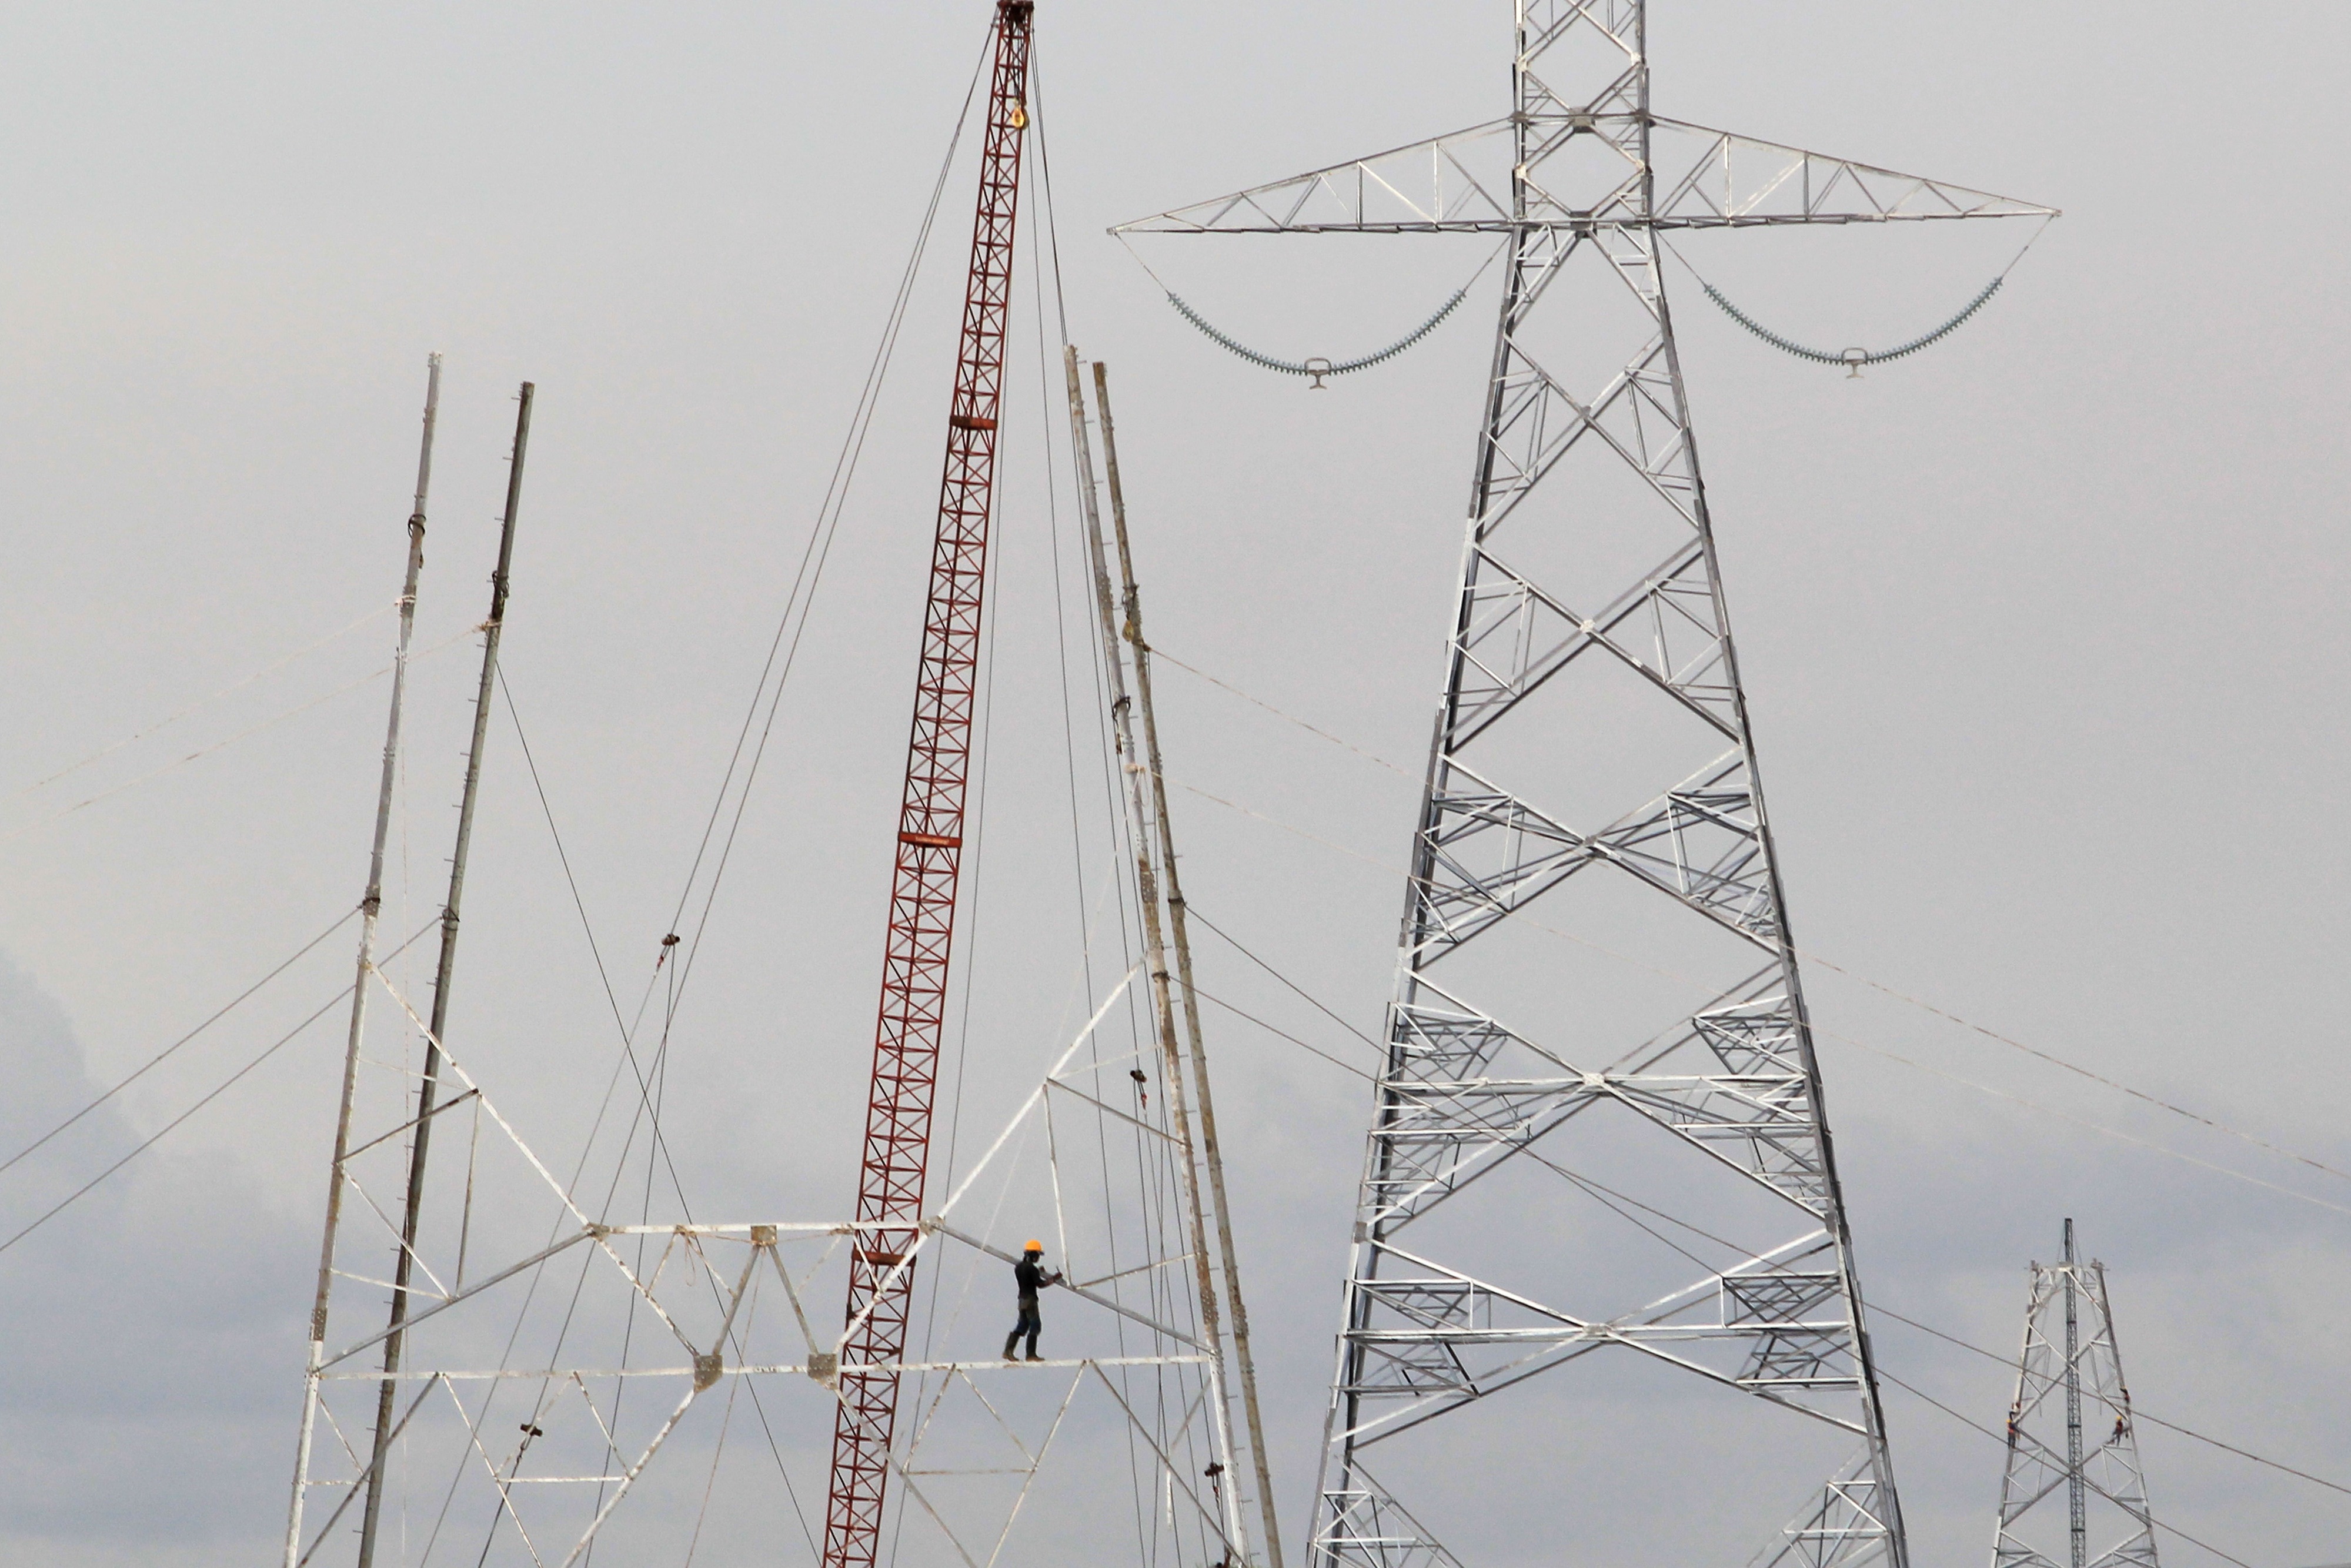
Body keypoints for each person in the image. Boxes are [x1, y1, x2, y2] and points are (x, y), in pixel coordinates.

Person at [1002, 1240, 1063, 1362]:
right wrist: (1054, 1279)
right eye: (1038, 1255)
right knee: (1035, 1326)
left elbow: (1028, 1278)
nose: (1038, 1258)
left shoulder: (1018, 1267)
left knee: (1023, 1325)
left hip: (1021, 1300)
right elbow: (1040, 1284)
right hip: (1031, 1300)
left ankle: (1008, 1351)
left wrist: (1039, 1272)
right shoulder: (1032, 1269)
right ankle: (1031, 1354)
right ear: (1034, 1255)